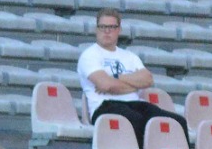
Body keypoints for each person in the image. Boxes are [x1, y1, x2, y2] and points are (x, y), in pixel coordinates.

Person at [77, 8, 189, 139]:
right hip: (104, 106)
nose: (107, 31)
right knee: (136, 120)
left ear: (119, 30)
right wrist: (134, 85)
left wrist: (116, 78)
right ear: (96, 29)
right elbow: (106, 85)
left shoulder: (130, 56)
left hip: (134, 103)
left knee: (177, 122)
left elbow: (148, 80)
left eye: (112, 27)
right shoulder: (89, 55)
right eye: (103, 27)